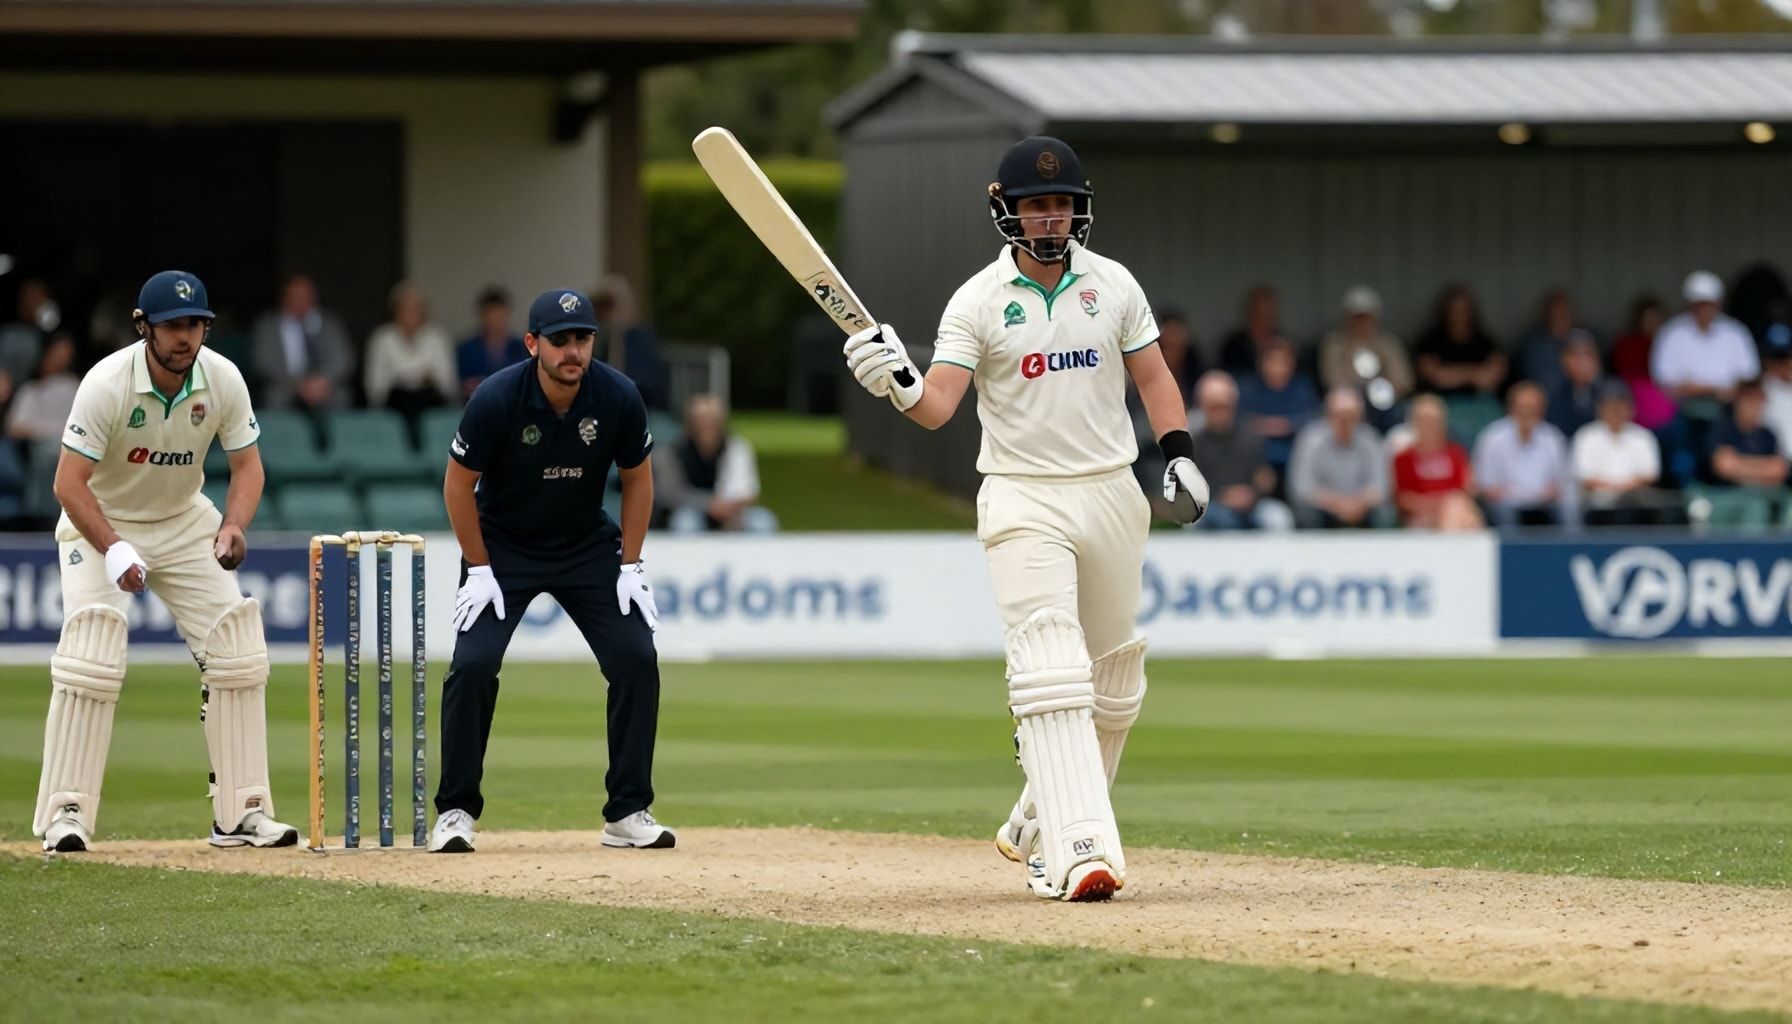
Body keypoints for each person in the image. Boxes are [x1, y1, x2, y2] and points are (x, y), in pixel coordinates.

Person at [841, 136, 1209, 902]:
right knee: (1051, 666)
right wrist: (894, 382)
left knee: (1114, 683)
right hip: (1021, 493)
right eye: (1037, 206)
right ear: (1005, 209)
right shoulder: (977, 301)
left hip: (1110, 490)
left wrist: (1176, 453)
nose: (1051, 219)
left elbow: (1154, 375)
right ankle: (1072, 854)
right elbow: (938, 405)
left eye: (1063, 205)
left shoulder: (1112, 285)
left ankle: (1036, 821)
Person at [35, 270, 295, 852]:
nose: (186, 337)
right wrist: (115, 546)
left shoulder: (221, 377)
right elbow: (68, 484)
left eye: (196, 325)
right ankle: (66, 815)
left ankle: (241, 812)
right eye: (174, 326)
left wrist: (232, 525)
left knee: (236, 649)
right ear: (144, 327)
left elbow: (248, 467)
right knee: (91, 653)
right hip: (98, 517)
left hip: (182, 519)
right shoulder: (107, 383)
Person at [430, 287, 670, 854]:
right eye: (559, 340)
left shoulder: (617, 395)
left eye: (582, 339)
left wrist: (631, 565)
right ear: (532, 343)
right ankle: (456, 811)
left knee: (637, 657)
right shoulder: (496, 397)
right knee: (472, 666)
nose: (573, 352)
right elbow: (457, 486)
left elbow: (638, 479)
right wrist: (480, 569)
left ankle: (628, 810)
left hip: (585, 545)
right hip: (503, 550)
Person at [653, 393, 777, 533]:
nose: (706, 425)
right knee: (685, 522)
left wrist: (728, 506)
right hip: (689, 510)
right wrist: (709, 504)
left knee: (763, 521)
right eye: (700, 420)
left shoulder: (736, 448)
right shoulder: (670, 453)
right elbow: (669, 493)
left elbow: (748, 490)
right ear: (689, 423)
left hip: (731, 511)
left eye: (712, 420)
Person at [1189, 371, 1292, 531]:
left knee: (1278, 517)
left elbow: (1264, 476)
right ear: (1202, 406)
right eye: (1214, 406)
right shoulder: (1193, 442)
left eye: (1224, 406)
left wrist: (1253, 492)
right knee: (1212, 519)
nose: (1220, 412)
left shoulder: (1252, 437)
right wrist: (1222, 496)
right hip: (1211, 506)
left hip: (1251, 505)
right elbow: (1189, 488)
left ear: (1234, 404)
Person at [1651, 271, 1760, 408]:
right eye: (1700, 304)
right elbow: (1664, 380)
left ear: (1718, 303)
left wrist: (1728, 390)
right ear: (1690, 304)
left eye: (1709, 304)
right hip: (1682, 406)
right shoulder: (1671, 332)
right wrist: (1710, 389)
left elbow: (1749, 375)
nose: (1704, 309)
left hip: (1728, 406)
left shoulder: (1735, 331)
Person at [1471, 381, 1572, 527]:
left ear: (1542, 410)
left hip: (1544, 505)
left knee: (1568, 510)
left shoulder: (1553, 438)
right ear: (1511, 408)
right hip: (1505, 505)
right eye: (1523, 408)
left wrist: (1544, 495)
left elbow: (1562, 482)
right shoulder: (1492, 437)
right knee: (1505, 513)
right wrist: (1519, 496)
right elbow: (1485, 485)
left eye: (1533, 409)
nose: (1527, 414)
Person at [364, 281, 457, 438]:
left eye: (416, 308)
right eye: (405, 308)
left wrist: (409, 375)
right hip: (394, 403)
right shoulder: (382, 338)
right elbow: (375, 386)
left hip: (429, 402)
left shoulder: (437, 338)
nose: (411, 314)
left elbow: (446, 383)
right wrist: (417, 375)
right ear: (395, 310)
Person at [1287, 388, 1389, 529]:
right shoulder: (1310, 439)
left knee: (1384, 514)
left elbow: (1381, 487)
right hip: (1324, 508)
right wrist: (1338, 504)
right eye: (1340, 416)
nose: (1345, 421)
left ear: (1360, 416)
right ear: (1327, 415)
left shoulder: (1371, 439)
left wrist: (1358, 503)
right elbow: (1302, 488)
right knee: (1307, 514)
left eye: (1351, 416)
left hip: (1361, 508)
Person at [250, 274, 352, 411]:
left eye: (305, 297)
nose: (300, 302)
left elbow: (342, 360)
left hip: (323, 386)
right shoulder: (267, 327)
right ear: (285, 298)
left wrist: (322, 382)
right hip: (285, 386)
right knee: (274, 398)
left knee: (342, 397)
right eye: (295, 297)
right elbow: (263, 363)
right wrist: (298, 385)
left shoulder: (329, 324)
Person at [1572, 381, 1663, 526]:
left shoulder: (1642, 437)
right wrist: (1617, 489)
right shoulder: (1586, 436)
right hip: (1598, 507)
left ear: (1630, 409)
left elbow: (1650, 475)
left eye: (1620, 407)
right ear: (1600, 409)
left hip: (1635, 505)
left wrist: (1622, 490)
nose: (1615, 412)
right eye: (1610, 407)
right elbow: (1586, 477)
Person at [1317, 285, 1414, 414]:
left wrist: (1382, 393)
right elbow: (1333, 380)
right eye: (1356, 316)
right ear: (1347, 317)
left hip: (1388, 403)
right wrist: (1358, 395)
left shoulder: (1388, 343)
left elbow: (1403, 380)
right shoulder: (1334, 344)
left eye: (1365, 316)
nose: (1361, 322)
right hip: (1349, 404)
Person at [1392, 394, 1483, 530]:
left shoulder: (1456, 454)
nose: (1429, 426)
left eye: (1433, 421)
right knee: (1459, 513)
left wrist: (1445, 507)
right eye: (1423, 421)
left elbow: (1464, 490)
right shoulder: (1403, 458)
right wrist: (1437, 506)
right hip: (1419, 516)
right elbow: (1402, 498)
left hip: (1454, 511)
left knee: (1461, 512)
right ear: (1414, 423)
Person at [1237, 337, 1318, 477]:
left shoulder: (1302, 387)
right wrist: (1279, 426)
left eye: (1283, 362)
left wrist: (1283, 425)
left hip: (1295, 455)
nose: (1278, 367)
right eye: (1272, 361)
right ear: (1261, 363)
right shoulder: (1248, 387)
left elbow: (1312, 419)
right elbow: (1239, 419)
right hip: (1256, 456)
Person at [592, 274, 670, 412]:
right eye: (601, 307)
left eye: (610, 306)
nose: (607, 313)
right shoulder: (597, 340)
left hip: (645, 409)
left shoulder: (641, 339)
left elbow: (651, 384)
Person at [1414, 284, 1505, 398]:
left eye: (1463, 311)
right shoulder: (1430, 342)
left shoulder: (1485, 341)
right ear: (1445, 312)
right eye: (1454, 311)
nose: (1458, 316)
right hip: (1440, 402)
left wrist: (1453, 373)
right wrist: (1474, 373)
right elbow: (1436, 377)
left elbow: (1491, 378)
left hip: (1481, 402)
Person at [1707, 379, 1788, 489]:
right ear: (1737, 401)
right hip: (1723, 493)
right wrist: (1763, 469)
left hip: (1761, 496)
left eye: (1758, 400)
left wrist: (1739, 465)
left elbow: (1778, 469)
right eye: (1749, 399)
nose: (1753, 405)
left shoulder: (1768, 435)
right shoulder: (1722, 429)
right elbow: (1724, 466)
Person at [5, 330, 80, 442]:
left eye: (66, 352)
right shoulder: (30, 389)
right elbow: (14, 428)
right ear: (46, 352)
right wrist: (46, 432)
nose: (61, 356)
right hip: (34, 448)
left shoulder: (73, 387)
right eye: (57, 350)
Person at [457, 286, 530, 400]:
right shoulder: (467, 349)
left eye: (499, 315)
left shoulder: (522, 347)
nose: (495, 321)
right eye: (491, 316)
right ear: (482, 316)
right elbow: (465, 385)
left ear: (507, 314)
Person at [1545, 331, 1607, 439]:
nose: (1582, 361)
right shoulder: (1551, 392)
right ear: (1563, 359)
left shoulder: (1609, 392)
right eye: (1575, 354)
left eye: (1587, 353)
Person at [1218, 284, 1282, 375]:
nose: (1264, 319)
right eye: (1258, 312)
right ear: (1249, 313)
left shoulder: (1284, 345)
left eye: (1268, 313)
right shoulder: (1233, 347)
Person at [1153, 307, 1203, 405]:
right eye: (1168, 346)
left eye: (1180, 346)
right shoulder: (1140, 379)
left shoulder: (1198, 376)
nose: (1175, 353)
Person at [1762, 325, 1792, 458]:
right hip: (1777, 464)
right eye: (1774, 358)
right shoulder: (1759, 390)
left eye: (1783, 357)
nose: (1780, 364)